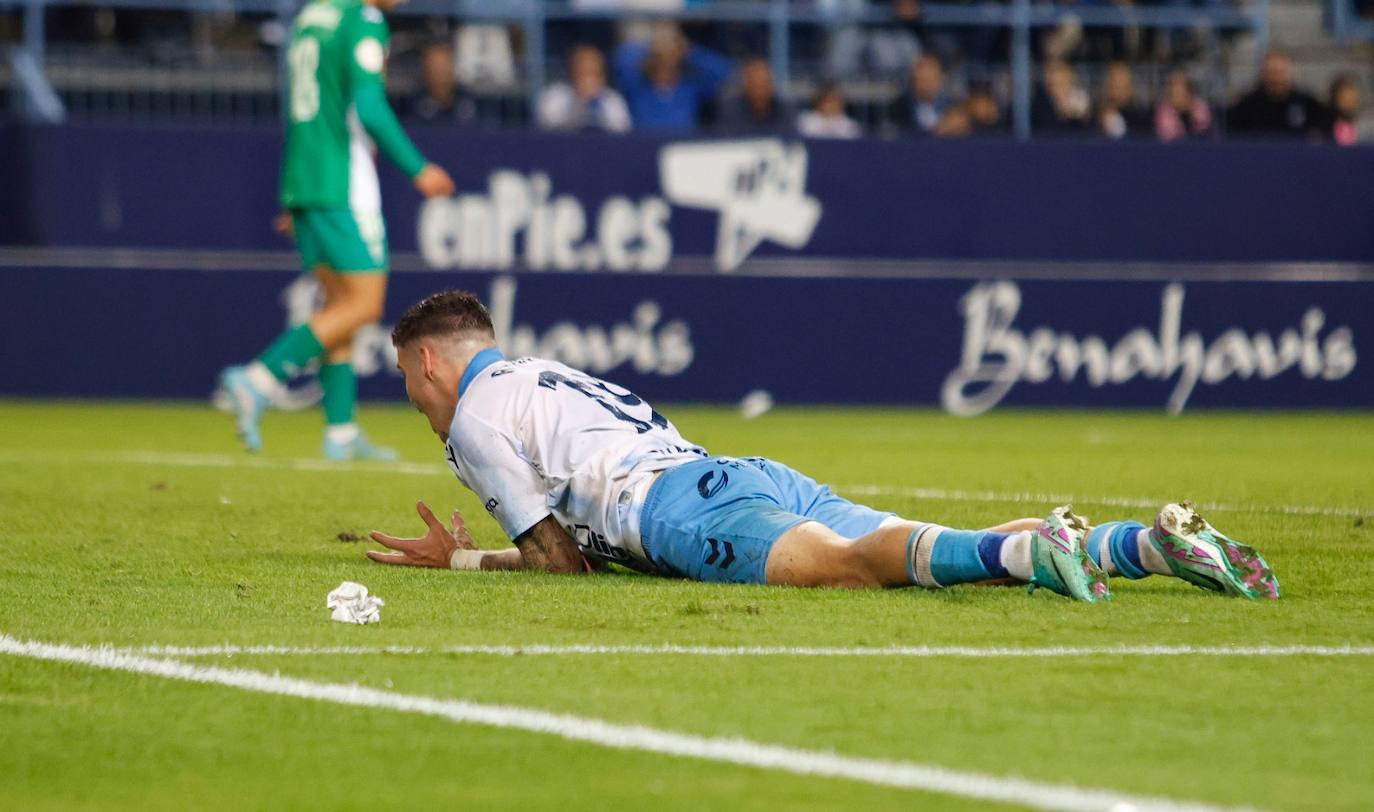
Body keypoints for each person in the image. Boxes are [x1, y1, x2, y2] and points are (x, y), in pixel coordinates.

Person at [364, 289, 1281, 603]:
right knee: (928, 549)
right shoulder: (534, 375)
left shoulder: (478, 417)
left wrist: (467, 562)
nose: (410, 397)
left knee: (854, 570)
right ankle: (1145, 545)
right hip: (739, 475)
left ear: (433, 361)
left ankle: (1040, 546)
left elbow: (562, 564)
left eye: (408, 376)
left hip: (679, 510)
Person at [217, 0, 456, 459]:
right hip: (343, 182)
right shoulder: (362, 19)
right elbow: (367, 104)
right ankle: (258, 379)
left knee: (340, 306)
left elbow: (309, 105)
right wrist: (417, 167)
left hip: (305, 178)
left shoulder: (311, 16)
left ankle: (341, 431)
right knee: (365, 304)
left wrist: (302, 192)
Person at [613, 22, 731, 132]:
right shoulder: (636, 84)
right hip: (642, 146)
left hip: (681, 148)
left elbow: (723, 71)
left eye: (671, 46)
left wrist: (690, 50)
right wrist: (647, 46)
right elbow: (620, 62)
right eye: (660, 48)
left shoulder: (691, 85)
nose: (666, 57)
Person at [1226, 51, 1325, 140]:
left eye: (1280, 72)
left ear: (1289, 73)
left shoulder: (1307, 103)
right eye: (1271, 73)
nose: (1276, 79)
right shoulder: (1247, 105)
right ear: (1263, 75)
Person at [536, 44, 632, 133]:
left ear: (603, 77)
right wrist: (579, 103)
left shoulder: (613, 101)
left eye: (594, 73)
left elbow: (622, 133)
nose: (588, 80)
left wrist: (596, 106)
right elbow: (546, 129)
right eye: (582, 73)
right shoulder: (554, 96)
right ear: (571, 73)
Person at [401, 40, 479, 124]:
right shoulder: (410, 106)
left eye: (444, 66)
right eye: (435, 67)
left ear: (453, 67)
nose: (440, 72)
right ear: (425, 70)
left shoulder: (472, 102)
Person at [886, 53, 955, 137]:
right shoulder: (897, 108)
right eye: (917, 69)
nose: (917, 74)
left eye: (927, 77)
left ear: (939, 77)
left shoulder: (954, 106)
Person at [713, 57, 788, 134]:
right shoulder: (731, 110)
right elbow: (726, 140)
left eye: (764, 84)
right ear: (746, 86)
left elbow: (791, 137)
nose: (760, 91)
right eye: (756, 85)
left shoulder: (783, 108)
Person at [1031, 60, 1092, 136]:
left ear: (1070, 79)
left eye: (1062, 79)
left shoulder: (1081, 99)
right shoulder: (1041, 104)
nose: (1058, 84)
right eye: (1053, 82)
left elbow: (1086, 125)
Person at [1095, 61, 1151, 140]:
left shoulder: (1141, 115)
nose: (1115, 85)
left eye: (1120, 81)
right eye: (1112, 79)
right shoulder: (1094, 115)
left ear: (1129, 85)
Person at [1154, 69, 1212, 142]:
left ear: (1189, 89)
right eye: (1173, 85)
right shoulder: (1163, 110)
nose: (1177, 90)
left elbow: (1204, 134)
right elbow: (1168, 137)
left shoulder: (1201, 107)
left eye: (1181, 85)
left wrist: (1189, 115)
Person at [796, 83, 863, 139]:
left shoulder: (850, 126)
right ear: (819, 102)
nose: (830, 105)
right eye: (827, 101)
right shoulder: (806, 122)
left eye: (834, 101)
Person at [1324, 74, 1360, 145]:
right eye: (1343, 99)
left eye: (1350, 99)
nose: (1347, 104)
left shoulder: (1364, 124)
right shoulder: (1326, 124)